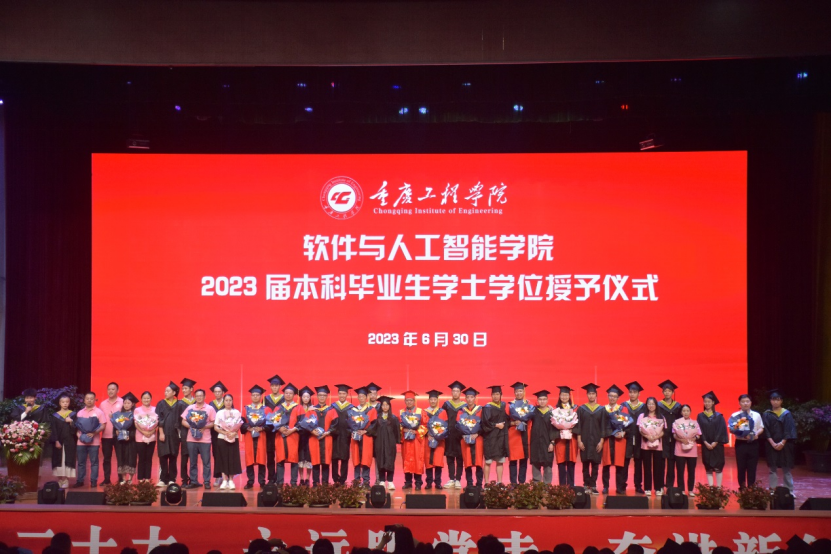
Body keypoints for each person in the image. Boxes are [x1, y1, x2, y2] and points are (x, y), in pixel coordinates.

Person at [575, 383, 608, 494]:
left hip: (596, 440)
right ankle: (586, 484)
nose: (591, 396)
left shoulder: (601, 410)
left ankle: (593, 485)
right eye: (589, 393)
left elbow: (603, 426)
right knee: (585, 464)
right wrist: (579, 441)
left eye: (593, 393)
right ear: (587, 395)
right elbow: (578, 426)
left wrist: (601, 441)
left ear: (596, 395)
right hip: (584, 440)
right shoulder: (581, 409)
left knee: (595, 464)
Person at [180, 388, 216, 489]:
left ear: (204, 397)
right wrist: (191, 426)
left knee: (206, 462)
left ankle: (207, 481)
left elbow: (214, 422)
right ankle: (193, 481)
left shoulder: (210, 408)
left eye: (201, 396)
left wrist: (204, 427)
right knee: (193, 461)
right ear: (195, 397)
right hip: (191, 439)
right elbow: (183, 421)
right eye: (197, 396)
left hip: (205, 439)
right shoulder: (190, 408)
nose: (199, 397)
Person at [762, 389, 796, 495]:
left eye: (778, 399)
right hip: (771, 444)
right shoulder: (766, 414)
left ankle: (789, 491)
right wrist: (772, 443)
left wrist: (782, 442)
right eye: (773, 399)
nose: (775, 401)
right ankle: (772, 490)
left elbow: (789, 429)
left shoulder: (786, 414)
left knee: (786, 469)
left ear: (781, 401)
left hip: (785, 445)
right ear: (770, 401)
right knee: (772, 468)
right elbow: (765, 430)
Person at [73, 391, 107, 488]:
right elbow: (77, 427)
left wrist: (94, 433)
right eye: (87, 399)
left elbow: (103, 425)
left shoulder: (99, 412)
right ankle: (80, 480)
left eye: (91, 399)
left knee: (94, 463)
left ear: (95, 400)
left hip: (94, 442)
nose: (89, 400)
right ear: (84, 400)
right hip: (81, 442)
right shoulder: (80, 412)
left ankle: (93, 481)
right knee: (81, 462)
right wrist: (78, 436)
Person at [732, 393, 764, 489]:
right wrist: (740, 427)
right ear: (739, 403)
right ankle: (742, 488)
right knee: (741, 467)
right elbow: (732, 429)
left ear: (751, 403)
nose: (745, 403)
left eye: (747, 401)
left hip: (753, 444)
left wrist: (756, 434)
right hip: (741, 444)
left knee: (752, 467)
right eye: (743, 401)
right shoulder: (735, 415)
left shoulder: (756, 415)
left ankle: (751, 488)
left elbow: (761, 427)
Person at [309, 386, 339, 487]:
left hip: (327, 439)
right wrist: (312, 431)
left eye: (324, 395)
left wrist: (327, 433)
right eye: (320, 395)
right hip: (314, 439)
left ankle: (325, 484)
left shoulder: (331, 410)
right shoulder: (312, 410)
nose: (322, 397)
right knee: (315, 462)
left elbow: (335, 425)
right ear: (317, 396)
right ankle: (315, 484)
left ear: (327, 397)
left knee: (326, 462)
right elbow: (306, 423)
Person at [697, 391, 728, 487]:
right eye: (705, 402)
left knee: (718, 467)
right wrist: (705, 442)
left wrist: (715, 441)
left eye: (709, 402)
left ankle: (718, 488)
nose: (707, 404)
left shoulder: (719, 416)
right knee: (708, 467)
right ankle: (711, 488)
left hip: (717, 445)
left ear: (713, 402)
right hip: (706, 445)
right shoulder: (700, 416)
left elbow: (721, 430)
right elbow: (699, 430)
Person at [241, 385, 269, 489]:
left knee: (261, 458)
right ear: (251, 396)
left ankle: (262, 481)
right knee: (249, 458)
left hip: (261, 436)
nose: (255, 397)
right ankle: (250, 481)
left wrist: (262, 428)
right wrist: (248, 428)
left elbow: (269, 424)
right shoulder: (246, 409)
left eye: (257, 395)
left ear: (261, 396)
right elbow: (242, 423)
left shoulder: (265, 409)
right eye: (253, 395)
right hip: (249, 436)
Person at [622, 381, 647, 494]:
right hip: (626, 438)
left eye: (634, 392)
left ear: (639, 394)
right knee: (625, 462)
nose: (632, 394)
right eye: (630, 392)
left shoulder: (643, 407)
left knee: (638, 462)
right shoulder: (623, 405)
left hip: (639, 437)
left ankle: (638, 485)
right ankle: (622, 484)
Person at [601, 385, 627, 495]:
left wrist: (623, 433)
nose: (612, 398)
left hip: (619, 440)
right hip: (607, 439)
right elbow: (601, 425)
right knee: (606, 464)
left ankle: (619, 487)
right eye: (610, 396)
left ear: (618, 398)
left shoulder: (622, 409)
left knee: (619, 464)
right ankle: (605, 487)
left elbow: (627, 424)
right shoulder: (603, 409)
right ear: (608, 396)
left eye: (614, 396)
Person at [349, 386, 378, 486]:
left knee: (366, 458)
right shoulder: (353, 410)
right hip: (356, 437)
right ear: (358, 397)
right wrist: (353, 430)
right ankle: (357, 480)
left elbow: (374, 425)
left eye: (363, 396)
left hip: (366, 437)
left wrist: (365, 431)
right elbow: (349, 424)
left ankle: (366, 481)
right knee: (356, 458)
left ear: (367, 397)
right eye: (360, 396)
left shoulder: (371, 410)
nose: (361, 398)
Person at [657, 380, 682, 494]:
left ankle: (670, 485)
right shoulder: (659, 405)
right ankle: (660, 485)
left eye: (669, 391)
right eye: (665, 391)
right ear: (662, 392)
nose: (667, 393)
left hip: (674, 436)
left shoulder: (677, 406)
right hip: (662, 436)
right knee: (661, 462)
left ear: (672, 392)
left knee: (672, 462)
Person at [214, 393, 243, 489]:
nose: (228, 402)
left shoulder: (236, 412)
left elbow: (238, 425)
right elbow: (215, 427)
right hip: (222, 438)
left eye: (230, 400)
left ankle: (231, 480)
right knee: (223, 459)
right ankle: (224, 480)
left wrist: (234, 432)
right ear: (224, 401)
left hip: (233, 438)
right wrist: (225, 432)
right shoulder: (219, 413)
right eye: (226, 400)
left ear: (232, 401)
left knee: (232, 458)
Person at [637, 397, 666, 496]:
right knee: (647, 467)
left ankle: (658, 488)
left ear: (656, 405)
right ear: (646, 405)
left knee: (658, 467)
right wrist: (647, 436)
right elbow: (640, 429)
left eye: (653, 404)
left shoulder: (661, 417)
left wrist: (656, 437)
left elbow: (663, 430)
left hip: (658, 445)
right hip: (645, 445)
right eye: (649, 404)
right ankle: (647, 488)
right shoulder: (642, 416)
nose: (651, 406)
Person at [275, 383, 302, 485]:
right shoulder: (279, 407)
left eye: (290, 393)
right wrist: (279, 428)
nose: (288, 395)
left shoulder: (298, 407)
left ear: (294, 395)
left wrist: (293, 430)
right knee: (280, 459)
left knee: (294, 460)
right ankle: (280, 482)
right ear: (284, 394)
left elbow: (302, 422)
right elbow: (274, 421)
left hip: (293, 436)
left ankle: (293, 482)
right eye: (286, 393)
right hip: (280, 436)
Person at [371, 396, 400, 489]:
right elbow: (373, 430)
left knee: (390, 461)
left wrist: (395, 441)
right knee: (380, 460)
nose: (385, 407)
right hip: (379, 443)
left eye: (387, 405)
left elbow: (396, 431)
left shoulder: (394, 418)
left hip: (390, 443)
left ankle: (390, 481)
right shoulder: (377, 418)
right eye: (383, 405)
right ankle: (382, 480)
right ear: (381, 406)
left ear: (389, 406)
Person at [155, 382, 181, 486]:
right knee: (163, 456)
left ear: (174, 393)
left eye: (168, 391)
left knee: (173, 456)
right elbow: (159, 419)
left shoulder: (179, 404)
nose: (165, 392)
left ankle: (172, 479)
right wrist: (161, 433)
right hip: (164, 433)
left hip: (174, 434)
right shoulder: (161, 403)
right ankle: (163, 479)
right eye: (165, 391)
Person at [481, 385, 509, 484]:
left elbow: (506, 419)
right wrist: (496, 425)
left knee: (500, 461)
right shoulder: (487, 407)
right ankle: (487, 483)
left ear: (501, 395)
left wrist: (514, 422)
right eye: (493, 394)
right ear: (491, 395)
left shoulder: (503, 406)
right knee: (488, 462)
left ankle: (499, 482)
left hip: (500, 438)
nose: (495, 396)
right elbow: (485, 423)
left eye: (497, 394)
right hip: (490, 438)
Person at [457, 387, 484, 488]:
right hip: (465, 439)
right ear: (465, 398)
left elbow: (484, 425)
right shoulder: (461, 411)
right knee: (467, 462)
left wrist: (478, 433)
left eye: (471, 397)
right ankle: (469, 484)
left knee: (478, 462)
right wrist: (463, 434)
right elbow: (457, 425)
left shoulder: (481, 410)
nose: (469, 399)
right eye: (467, 397)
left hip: (478, 439)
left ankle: (479, 484)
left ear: (475, 398)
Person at [49, 393, 77, 488]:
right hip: (59, 441)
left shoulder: (73, 415)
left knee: (68, 459)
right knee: (58, 459)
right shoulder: (55, 416)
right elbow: (53, 429)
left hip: (69, 441)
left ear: (69, 403)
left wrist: (71, 422)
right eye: (63, 402)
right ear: (60, 403)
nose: (65, 403)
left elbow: (76, 429)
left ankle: (66, 480)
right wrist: (56, 441)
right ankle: (60, 479)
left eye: (67, 402)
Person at [98, 382, 124, 486]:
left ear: (118, 390)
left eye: (113, 389)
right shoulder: (102, 404)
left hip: (119, 435)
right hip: (106, 435)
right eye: (109, 389)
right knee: (106, 459)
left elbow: (126, 417)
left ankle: (121, 479)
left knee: (120, 458)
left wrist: (116, 418)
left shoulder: (122, 402)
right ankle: (106, 479)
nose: (110, 391)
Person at [528, 390, 557, 484]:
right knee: (535, 463)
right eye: (540, 399)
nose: (542, 401)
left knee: (547, 464)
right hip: (535, 442)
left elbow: (554, 429)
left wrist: (552, 442)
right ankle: (537, 485)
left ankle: (547, 485)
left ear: (547, 400)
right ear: (537, 400)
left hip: (547, 442)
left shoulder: (552, 413)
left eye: (544, 399)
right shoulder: (533, 411)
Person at [672, 404, 700, 496]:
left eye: (687, 411)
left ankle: (691, 490)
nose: (686, 412)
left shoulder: (695, 423)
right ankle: (681, 489)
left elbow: (698, 435)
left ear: (690, 412)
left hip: (692, 450)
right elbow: (674, 434)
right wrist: (681, 439)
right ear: (681, 412)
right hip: (680, 450)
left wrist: (694, 438)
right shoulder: (676, 422)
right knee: (680, 472)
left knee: (691, 471)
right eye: (684, 411)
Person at [400, 391, 426, 490]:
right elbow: (398, 425)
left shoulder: (420, 411)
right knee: (406, 460)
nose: (409, 402)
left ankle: (418, 483)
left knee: (417, 461)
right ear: (404, 401)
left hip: (417, 441)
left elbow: (425, 425)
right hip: (406, 441)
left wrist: (416, 432)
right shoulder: (401, 412)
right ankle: (408, 482)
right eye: (407, 400)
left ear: (414, 401)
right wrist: (403, 430)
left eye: (411, 400)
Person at [443, 381, 467, 489]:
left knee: (460, 458)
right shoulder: (446, 404)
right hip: (449, 434)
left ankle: (458, 479)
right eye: (454, 391)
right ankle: (451, 478)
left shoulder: (464, 406)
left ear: (460, 393)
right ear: (451, 392)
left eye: (457, 391)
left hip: (460, 436)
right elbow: (442, 418)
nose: (455, 393)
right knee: (450, 457)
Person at [553, 386, 579, 486]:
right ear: (559, 396)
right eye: (562, 395)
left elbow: (579, 425)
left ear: (569, 396)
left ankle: (571, 485)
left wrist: (572, 429)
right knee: (561, 462)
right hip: (560, 439)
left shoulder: (575, 409)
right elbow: (553, 425)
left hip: (572, 439)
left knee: (571, 462)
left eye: (566, 395)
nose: (564, 397)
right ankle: (562, 486)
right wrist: (560, 430)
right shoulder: (556, 410)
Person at [507, 382, 531, 485]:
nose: (519, 393)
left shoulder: (529, 405)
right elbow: (505, 421)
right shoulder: (510, 405)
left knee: (524, 460)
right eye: (517, 391)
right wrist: (513, 423)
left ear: (524, 392)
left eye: (521, 391)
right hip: (514, 435)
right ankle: (513, 483)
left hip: (525, 434)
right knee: (513, 460)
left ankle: (521, 483)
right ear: (514, 393)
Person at [111, 392, 138, 484]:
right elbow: (116, 425)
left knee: (131, 458)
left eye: (128, 403)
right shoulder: (119, 415)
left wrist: (130, 436)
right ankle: (123, 478)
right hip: (121, 441)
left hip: (131, 441)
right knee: (121, 458)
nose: (126, 405)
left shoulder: (135, 415)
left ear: (133, 404)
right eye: (125, 403)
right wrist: (116, 431)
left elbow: (136, 428)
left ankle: (130, 479)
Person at [422, 389, 446, 489]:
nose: (433, 401)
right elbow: (422, 425)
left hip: (439, 440)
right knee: (428, 462)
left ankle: (438, 482)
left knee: (438, 462)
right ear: (428, 400)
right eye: (431, 399)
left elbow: (445, 425)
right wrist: (428, 433)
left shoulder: (442, 412)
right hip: (428, 439)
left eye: (434, 399)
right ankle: (428, 482)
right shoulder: (424, 412)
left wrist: (438, 434)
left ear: (437, 400)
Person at [263, 374, 285, 484]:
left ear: (280, 387)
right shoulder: (265, 399)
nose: (275, 387)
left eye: (277, 385)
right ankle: (271, 477)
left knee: (280, 455)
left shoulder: (284, 398)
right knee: (270, 454)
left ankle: (279, 478)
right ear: (270, 387)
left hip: (280, 431)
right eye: (273, 385)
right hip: (269, 431)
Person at [330, 384, 353, 485]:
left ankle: (343, 479)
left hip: (345, 436)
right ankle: (335, 479)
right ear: (338, 394)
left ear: (347, 395)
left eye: (344, 393)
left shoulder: (351, 407)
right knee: (334, 458)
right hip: (335, 435)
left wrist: (349, 432)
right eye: (340, 393)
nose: (342, 395)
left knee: (345, 458)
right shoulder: (333, 406)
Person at [177, 378, 198, 486]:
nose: (184, 390)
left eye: (186, 388)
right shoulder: (180, 403)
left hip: (196, 433)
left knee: (194, 457)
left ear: (191, 389)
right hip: (184, 432)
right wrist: (179, 432)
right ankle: (184, 479)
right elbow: (178, 420)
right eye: (183, 389)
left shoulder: (197, 402)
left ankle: (194, 479)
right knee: (184, 456)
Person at [133, 391, 158, 484]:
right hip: (140, 437)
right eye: (144, 398)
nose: (146, 400)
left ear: (151, 399)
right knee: (141, 458)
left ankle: (147, 478)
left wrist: (151, 431)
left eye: (148, 398)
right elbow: (136, 423)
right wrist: (143, 431)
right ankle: (140, 478)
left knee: (149, 458)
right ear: (141, 399)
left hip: (152, 436)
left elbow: (157, 422)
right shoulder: (137, 410)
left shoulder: (155, 409)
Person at [209, 381, 229, 487]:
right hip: (214, 433)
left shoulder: (227, 402)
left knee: (226, 454)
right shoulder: (211, 404)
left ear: (223, 392)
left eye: (219, 392)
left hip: (226, 433)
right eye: (215, 392)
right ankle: (218, 476)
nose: (217, 393)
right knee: (216, 454)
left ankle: (227, 476)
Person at [297, 386, 315, 486]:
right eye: (304, 397)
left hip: (310, 435)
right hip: (300, 436)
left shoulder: (313, 408)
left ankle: (307, 478)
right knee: (300, 457)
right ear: (301, 398)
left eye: (308, 397)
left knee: (309, 457)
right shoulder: (297, 408)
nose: (306, 398)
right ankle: (301, 478)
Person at [367, 382, 383, 485]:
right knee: (366, 457)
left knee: (378, 458)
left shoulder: (381, 406)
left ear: (377, 394)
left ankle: (378, 479)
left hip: (378, 436)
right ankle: (366, 480)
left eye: (374, 393)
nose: (373, 395)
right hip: (368, 435)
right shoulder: (364, 406)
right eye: (370, 393)